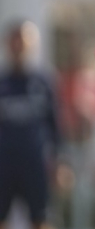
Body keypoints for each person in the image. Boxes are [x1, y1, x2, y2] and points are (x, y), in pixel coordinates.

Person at [0, 20, 60, 229]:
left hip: (35, 164)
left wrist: (60, 161)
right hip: (4, 164)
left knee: (41, 218)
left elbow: (55, 126)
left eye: (23, 42)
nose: (18, 47)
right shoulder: (2, 83)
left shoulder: (44, 82)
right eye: (14, 42)